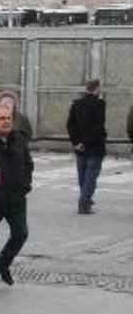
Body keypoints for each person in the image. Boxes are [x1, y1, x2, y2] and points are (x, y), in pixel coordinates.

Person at [0, 102, 32, 291]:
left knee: (21, 233)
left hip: (16, 196)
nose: (6, 122)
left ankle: (3, 263)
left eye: (8, 118)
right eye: (1, 118)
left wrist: (25, 184)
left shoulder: (18, 138)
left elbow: (28, 163)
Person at [66, 79, 106, 215]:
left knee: (83, 175)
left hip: (80, 147)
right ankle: (84, 203)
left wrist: (77, 142)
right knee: (91, 176)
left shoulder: (76, 103)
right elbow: (98, 127)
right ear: (97, 88)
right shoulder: (100, 104)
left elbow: (70, 125)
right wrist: (85, 142)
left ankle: (86, 199)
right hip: (95, 145)